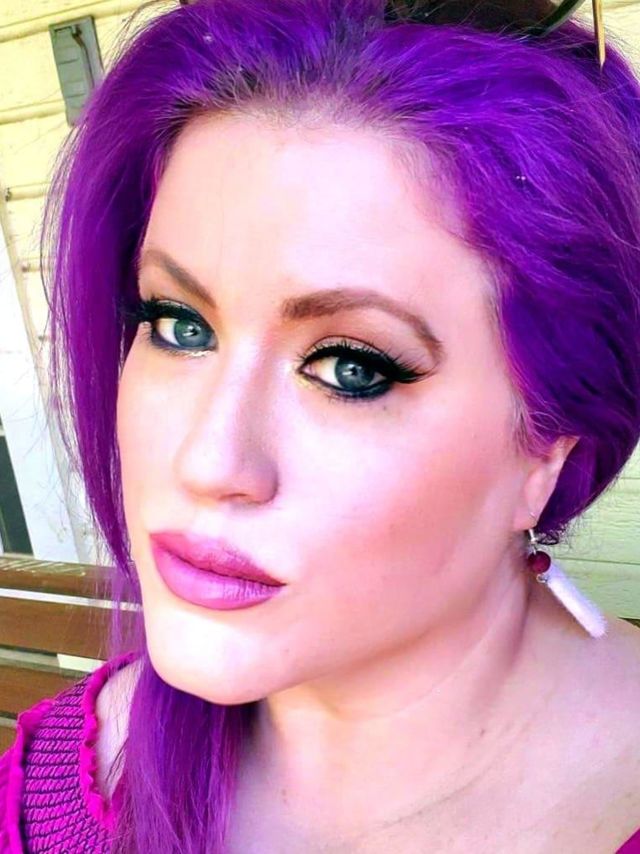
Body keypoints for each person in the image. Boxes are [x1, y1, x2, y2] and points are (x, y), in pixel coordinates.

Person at [1, 0, 640, 850]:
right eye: (178, 324)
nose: (207, 462)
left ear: (550, 449)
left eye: (350, 369)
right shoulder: (58, 787)